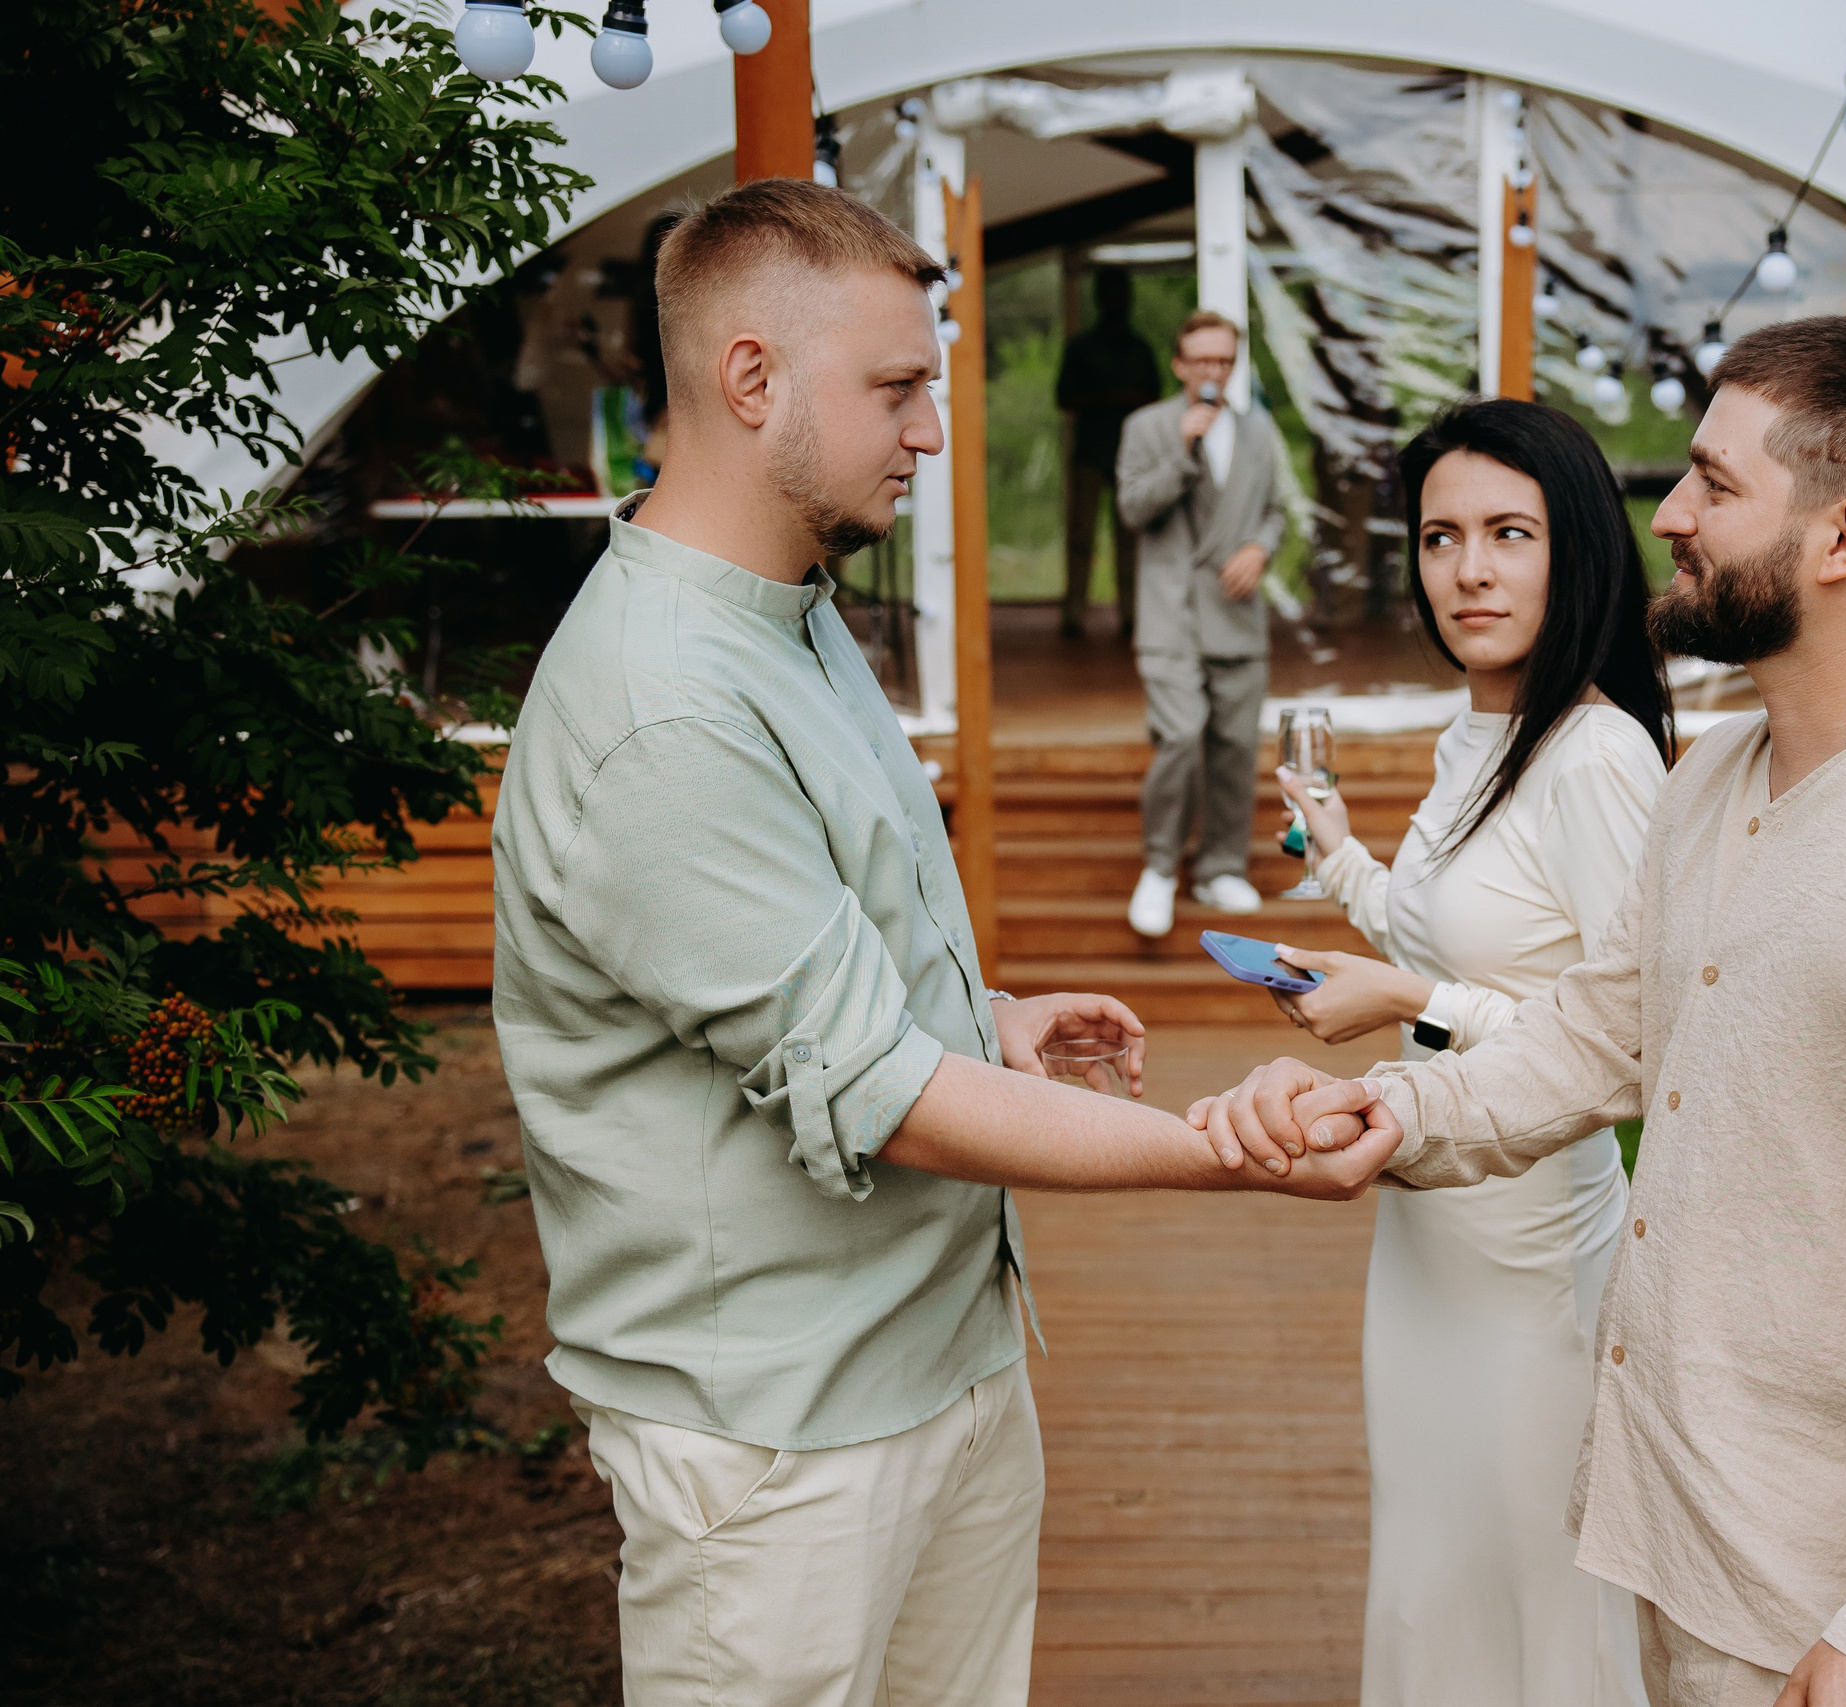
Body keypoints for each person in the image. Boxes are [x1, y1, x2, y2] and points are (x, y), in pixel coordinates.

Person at [489, 180, 1396, 1707]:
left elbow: (818, 955)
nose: (929, 432)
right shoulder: (661, 705)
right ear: (751, 378)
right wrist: (1226, 1151)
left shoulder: (792, 605)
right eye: (897, 389)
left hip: (948, 1361)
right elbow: (886, 1097)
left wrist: (986, 1009)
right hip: (781, 1443)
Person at [1197, 317, 1846, 1707]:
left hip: (1838, 1600)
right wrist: (1388, 1111)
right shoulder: (1715, 781)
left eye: (1713, 484)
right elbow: (1594, 1032)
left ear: (1842, 537)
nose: (1669, 516)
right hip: (1674, 1531)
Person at [1262, 399, 1667, 1707]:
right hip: (1428, 1240)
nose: (1469, 569)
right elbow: (1459, 942)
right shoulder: (1477, 728)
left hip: (1531, 1253)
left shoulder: (1596, 753)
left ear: (1578, 550)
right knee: (1434, 1567)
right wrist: (1339, 857)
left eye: (1509, 532)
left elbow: (1643, 1033)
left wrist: (1408, 998)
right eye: (1441, 537)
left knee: (1538, 1590)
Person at [1117, 309, 1290, 937]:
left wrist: (1260, 549)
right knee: (1183, 734)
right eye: (1203, 360)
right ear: (1180, 365)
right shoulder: (1147, 427)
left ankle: (1221, 867)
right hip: (1171, 613)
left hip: (1237, 612)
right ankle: (1161, 867)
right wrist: (1184, 451)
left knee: (1234, 748)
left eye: (1224, 360)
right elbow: (1134, 508)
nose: (1214, 371)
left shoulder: (1259, 431)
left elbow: (1275, 512)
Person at [1053, 266, 1161, 639]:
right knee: (1081, 535)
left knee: (1130, 537)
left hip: (1132, 457)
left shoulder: (1140, 348)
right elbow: (1064, 397)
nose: (1119, 301)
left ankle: (1132, 616)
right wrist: (1111, 400)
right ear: (1101, 298)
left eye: (1123, 294)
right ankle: (1074, 614)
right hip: (1091, 452)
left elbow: (1156, 397)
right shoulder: (1082, 347)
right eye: (1112, 293)